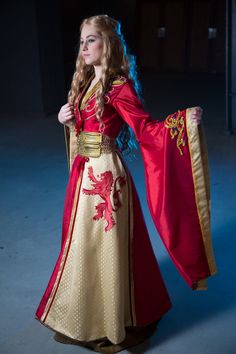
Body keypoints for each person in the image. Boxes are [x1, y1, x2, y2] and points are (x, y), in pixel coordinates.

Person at [35, 14, 217, 353]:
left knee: (107, 249)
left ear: (108, 44)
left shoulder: (119, 86)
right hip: (84, 173)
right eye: (82, 41)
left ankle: (115, 318)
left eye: (91, 40)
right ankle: (87, 313)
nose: (84, 47)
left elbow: (146, 130)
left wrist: (183, 122)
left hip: (106, 173)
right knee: (83, 245)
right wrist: (67, 118)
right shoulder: (88, 82)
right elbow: (83, 127)